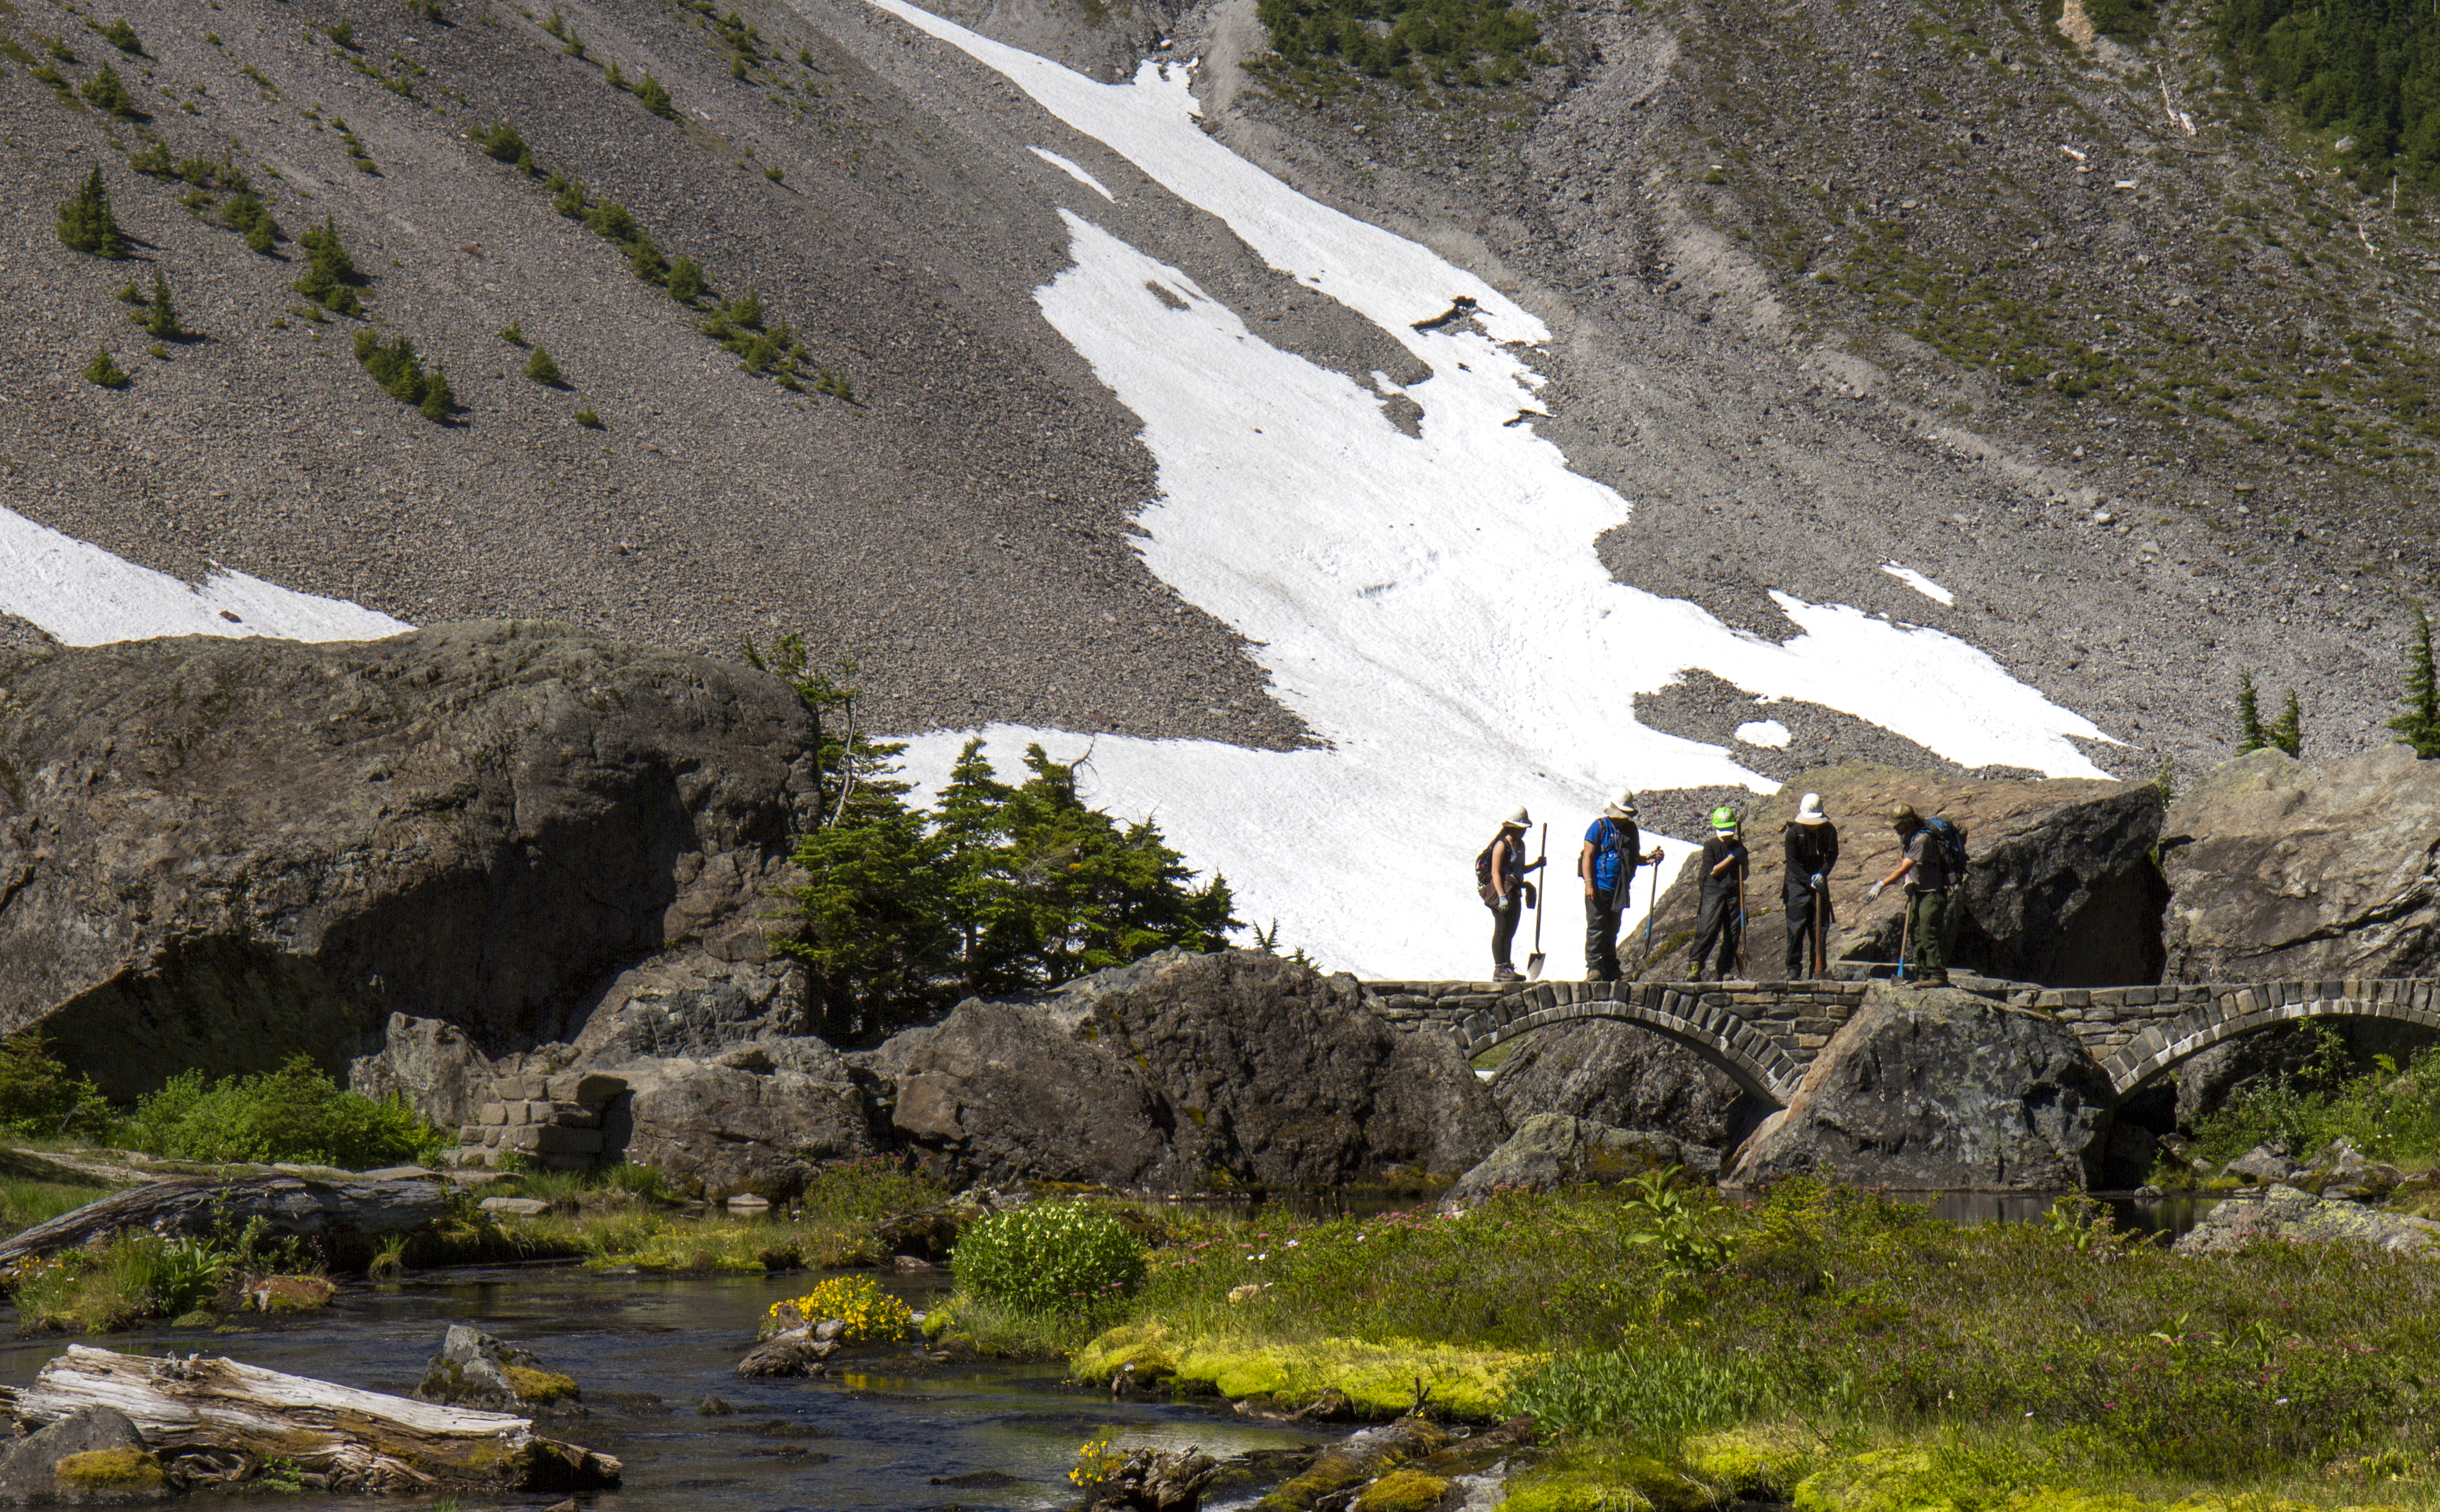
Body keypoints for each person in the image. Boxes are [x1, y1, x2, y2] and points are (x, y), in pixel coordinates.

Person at [1580, 794, 1663, 982]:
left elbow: (1634, 858)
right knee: (1596, 926)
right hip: (1598, 886)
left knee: (1612, 927)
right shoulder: (1598, 827)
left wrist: (1651, 858)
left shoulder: (1630, 830)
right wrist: (1589, 884)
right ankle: (1594, 967)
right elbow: (1588, 857)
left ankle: (1610, 967)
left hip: (1618, 888)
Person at [1867, 803, 1949, 985]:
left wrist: (1882, 884)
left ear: (1909, 822)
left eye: (1898, 825)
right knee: (1915, 932)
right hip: (1917, 890)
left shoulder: (1922, 840)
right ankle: (1922, 973)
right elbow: (1904, 859)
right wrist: (1908, 881)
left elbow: (1907, 865)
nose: (1895, 828)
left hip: (1932, 892)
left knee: (1928, 931)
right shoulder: (1906, 836)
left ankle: (1937, 975)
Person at [1688, 805, 1748, 981]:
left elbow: (1744, 875)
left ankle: (1724, 969)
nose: (1727, 836)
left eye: (1729, 831)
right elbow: (1713, 871)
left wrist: (1743, 861)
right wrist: (1732, 858)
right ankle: (1695, 966)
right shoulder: (1711, 846)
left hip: (1734, 892)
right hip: (1714, 891)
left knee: (1733, 931)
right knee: (1708, 928)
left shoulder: (1739, 847)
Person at [1783, 793, 1840, 978]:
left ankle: (1818, 968)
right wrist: (1809, 881)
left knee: (1820, 927)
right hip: (1797, 882)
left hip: (1819, 879)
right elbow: (1792, 863)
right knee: (1796, 926)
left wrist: (1822, 874)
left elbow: (1832, 855)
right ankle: (1793, 968)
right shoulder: (1793, 834)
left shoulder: (1830, 831)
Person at [1484, 807, 1543, 982]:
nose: (1524, 832)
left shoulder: (1520, 846)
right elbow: (1496, 872)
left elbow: (1519, 869)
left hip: (1515, 891)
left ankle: (1506, 966)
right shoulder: (1501, 845)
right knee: (1502, 930)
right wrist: (1502, 896)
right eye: (1521, 828)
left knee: (1510, 931)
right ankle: (1500, 968)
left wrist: (1536, 865)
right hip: (1502, 891)